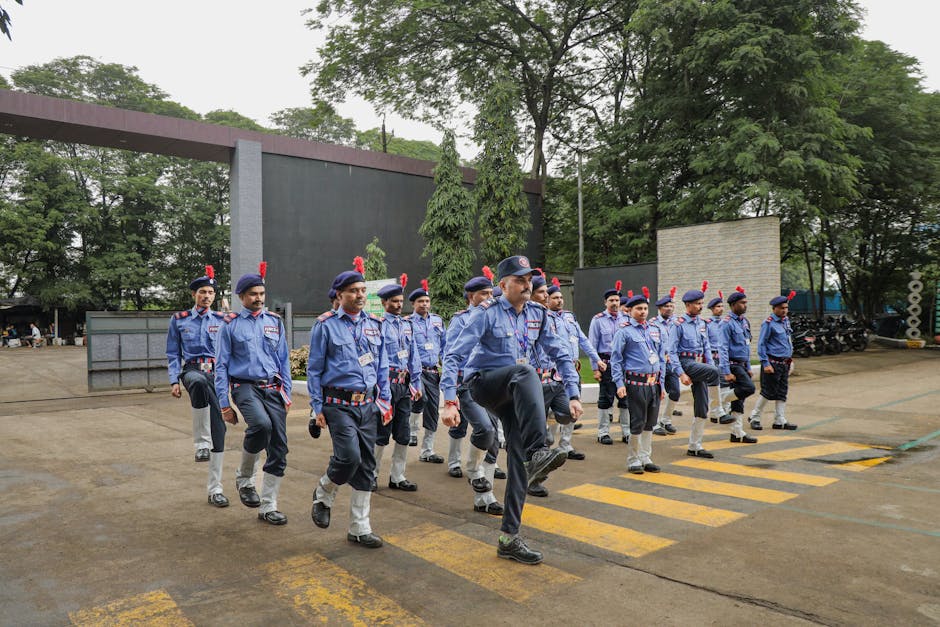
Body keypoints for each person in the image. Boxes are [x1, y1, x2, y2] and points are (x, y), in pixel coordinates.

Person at [442, 255, 583, 565]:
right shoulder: (486, 313)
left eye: (529, 279)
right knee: (525, 372)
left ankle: (509, 538)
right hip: (486, 384)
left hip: (515, 392)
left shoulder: (537, 314)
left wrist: (573, 394)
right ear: (503, 285)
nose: (527, 285)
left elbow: (561, 354)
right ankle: (538, 451)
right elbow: (453, 356)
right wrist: (450, 400)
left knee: (519, 466)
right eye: (520, 280)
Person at [307, 261, 395, 548]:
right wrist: (317, 407)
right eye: (353, 291)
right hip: (337, 404)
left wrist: (384, 401)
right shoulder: (325, 326)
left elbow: (382, 366)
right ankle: (324, 492)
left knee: (367, 466)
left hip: (368, 404)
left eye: (362, 290)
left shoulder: (375, 325)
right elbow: (314, 369)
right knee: (348, 458)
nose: (359, 295)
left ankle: (359, 527)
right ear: (340, 295)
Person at [214, 262, 292, 526]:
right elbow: (221, 366)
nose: (258, 298)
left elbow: (283, 360)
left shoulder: (274, 322)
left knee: (279, 449)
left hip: (273, 388)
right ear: (241, 297)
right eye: (252, 294)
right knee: (261, 425)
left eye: (261, 293)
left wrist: (287, 393)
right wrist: (224, 404)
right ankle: (245, 479)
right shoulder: (230, 325)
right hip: (244, 387)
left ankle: (268, 506)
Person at [166, 266, 230, 507]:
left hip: (217, 375)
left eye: (211, 292)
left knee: (219, 433)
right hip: (192, 371)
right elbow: (173, 353)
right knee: (199, 382)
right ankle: (201, 443)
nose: (207, 296)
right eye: (202, 292)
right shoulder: (180, 320)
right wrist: (174, 380)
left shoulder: (223, 320)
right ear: (194, 294)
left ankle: (215, 490)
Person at [446, 273, 504, 515]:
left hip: (491, 385)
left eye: (491, 293)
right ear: (471, 296)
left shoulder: (497, 317)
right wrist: (450, 396)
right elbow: (450, 356)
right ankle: (472, 470)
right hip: (468, 385)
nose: (489, 297)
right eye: (484, 294)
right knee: (485, 430)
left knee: (494, 442)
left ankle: (485, 498)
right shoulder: (460, 320)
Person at [374, 276, 423, 491]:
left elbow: (414, 355)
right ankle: (372, 475)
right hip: (386, 385)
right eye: (394, 301)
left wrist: (416, 382)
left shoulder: (407, 325)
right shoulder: (378, 325)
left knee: (403, 433)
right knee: (381, 433)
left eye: (400, 301)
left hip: (404, 386)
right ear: (384, 303)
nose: (399, 304)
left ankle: (397, 476)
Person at [610, 287, 665, 474]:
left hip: (654, 384)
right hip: (636, 384)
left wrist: (662, 384)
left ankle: (645, 457)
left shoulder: (655, 330)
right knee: (637, 422)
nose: (642, 312)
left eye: (645, 308)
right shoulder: (624, 332)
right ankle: (633, 459)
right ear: (629, 311)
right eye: (638, 309)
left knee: (650, 423)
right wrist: (619, 384)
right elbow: (616, 360)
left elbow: (661, 358)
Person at [526, 271, 568, 497]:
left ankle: (545, 438)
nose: (547, 296)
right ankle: (532, 480)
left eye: (546, 292)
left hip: (554, 379)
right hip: (532, 381)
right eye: (541, 292)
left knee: (566, 414)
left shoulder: (554, 318)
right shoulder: (524, 318)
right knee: (536, 439)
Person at [669, 282, 721, 458]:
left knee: (702, 405)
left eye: (701, 303)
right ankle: (718, 410)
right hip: (686, 363)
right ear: (688, 305)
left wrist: (710, 364)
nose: (700, 306)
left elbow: (706, 347)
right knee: (715, 373)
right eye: (697, 304)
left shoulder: (702, 323)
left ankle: (695, 446)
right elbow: (671, 351)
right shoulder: (678, 324)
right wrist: (681, 373)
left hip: (699, 365)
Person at [547, 278, 596, 460]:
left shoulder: (569, 317)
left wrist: (596, 359)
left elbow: (583, 340)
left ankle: (565, 445)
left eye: (561, 297)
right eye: (555, 298)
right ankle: (548, 444)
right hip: (555, 370)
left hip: (572, 370)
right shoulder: (544, 318)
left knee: (574, 408)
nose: (559, 300)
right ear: (547, 300)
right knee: (554, 410)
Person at [406, 279, 446, 464]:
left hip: (433, 371)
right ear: (413, 304)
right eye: (420, 301)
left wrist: (446, 366)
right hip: (416, 371)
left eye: (427, 301)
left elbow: (444, 346)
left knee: (433, 411)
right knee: (420, 398)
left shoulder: (437, 321)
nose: (424, 304)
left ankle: (427, 451)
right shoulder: (407, 323)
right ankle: (412, 431)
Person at [750, 291, 798, 431]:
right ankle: (755, 417)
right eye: (781, 308)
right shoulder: (768, 323)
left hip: (784, 363)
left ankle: (779, 420)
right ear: (774, 308)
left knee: (782, 392)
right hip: (773, 363)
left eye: (786, 308)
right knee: (768, 392)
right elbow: (761, 344)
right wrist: (765, 363)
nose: (784, 310)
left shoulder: (785, 321)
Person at [718, 286, 758, 443]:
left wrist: (748, 367)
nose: (745, 305)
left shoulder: (744, 322)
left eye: (746, 302)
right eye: (742, 303)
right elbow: (722, 348)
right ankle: (719, 401)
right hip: (733, 364)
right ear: (733, 305)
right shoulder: (726, 323)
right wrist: (726, 371)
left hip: (742, 364)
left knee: (739, 400)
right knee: (749, 388)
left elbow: (746, 346)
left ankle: (736, 433)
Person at [587, 284, 620, 445]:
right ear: (605, 302)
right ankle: (603, 432)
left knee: (625, 399)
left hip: (622, 365)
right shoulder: (598, 320)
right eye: (611, 300)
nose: (614, 303)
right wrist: (595, 368)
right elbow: (592, 345)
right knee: (606, 398)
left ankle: (626, 432)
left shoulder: (626, 319)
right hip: (605, 364)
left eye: (617, 300)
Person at [651, 288, 681, 436]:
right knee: (657, 394)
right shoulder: (653, 324)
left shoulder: (677, 323)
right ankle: (654, 423)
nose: (669, 308)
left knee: (675, 392)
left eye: (671, 305)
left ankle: (666, 420)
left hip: (672, 364)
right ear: (659, 308)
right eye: (666, 306)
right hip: (658, 364)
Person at [706, 293, 734, 424]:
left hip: (724, 356)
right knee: (715, 384)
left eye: (722, 306)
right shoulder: (707, 324)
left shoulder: (725, 323)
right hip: (713, 357)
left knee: (726, 383)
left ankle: (725, 410)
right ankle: (715, 411)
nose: (721, 309)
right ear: (712, 309)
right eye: (718, 306)